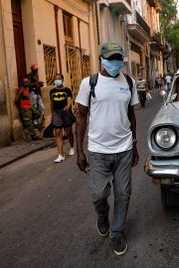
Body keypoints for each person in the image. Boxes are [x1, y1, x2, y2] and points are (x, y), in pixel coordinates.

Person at [75, 41, 139, 256]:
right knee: (99, 195)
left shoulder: (129, 82)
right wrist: (80, 150)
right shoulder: (89, 83)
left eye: (118, 58)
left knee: (123, 193)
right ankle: (102, 216)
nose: (115, 62)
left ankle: (117, 232)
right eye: (111, 58)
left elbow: (131, 115)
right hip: (98, 150)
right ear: (101, 59)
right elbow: (81, 116)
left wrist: (135, 145)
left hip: (124, 148)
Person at [50, 73, 75, 163]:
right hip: (56, 112)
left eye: (59, 78)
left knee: (68, 131)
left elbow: (69, 100)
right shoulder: (52, 91)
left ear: (62, 80)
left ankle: (72, 147)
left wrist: (68, 106)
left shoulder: (67, 90)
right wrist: (52, 114)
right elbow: (51, 103)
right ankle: (61, 155)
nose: (57, 80)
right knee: (58, 133)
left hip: (65, 112)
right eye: (56, 79)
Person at [27, 64, 45, 128]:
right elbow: (28, 84)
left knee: (42, 108)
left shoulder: (36, 75)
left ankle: (38, 122)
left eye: (36, 70)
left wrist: (40, 84)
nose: (36, 71)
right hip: (32, 93)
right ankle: (34, 123)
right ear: (32, 69)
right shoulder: (29, 75)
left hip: (37, 93)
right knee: (34, 108)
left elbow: (36, 84)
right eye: (35, 70)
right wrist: (37, 83)